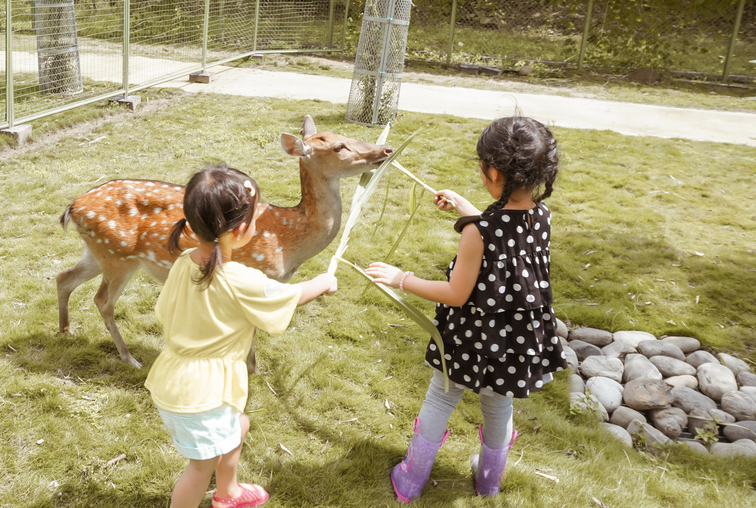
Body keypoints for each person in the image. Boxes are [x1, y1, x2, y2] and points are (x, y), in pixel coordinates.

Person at [364, 116, 567, 500]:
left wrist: (401, 278)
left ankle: (410, 479)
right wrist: (465, 207)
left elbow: (457, 294)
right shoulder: (541, 216)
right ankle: (490, 481)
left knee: (441, 397)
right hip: (515, 339)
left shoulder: (477, 233)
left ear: (492, 171)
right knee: (498, 406)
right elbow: (505, 234)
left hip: (471, 337)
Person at [145, 165, 337, 508]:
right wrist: (322, 283)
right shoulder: (238, 278)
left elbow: (165, 312)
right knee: (199, 468)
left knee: (239, 426)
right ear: (241, 228)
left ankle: (229, 493)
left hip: (176, 379)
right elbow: (286, 296)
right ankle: (212, 493)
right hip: (201, 395)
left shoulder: (184, 263)